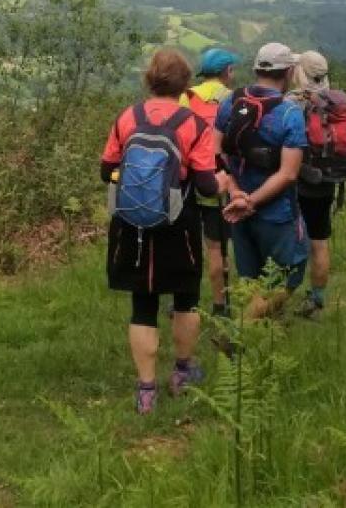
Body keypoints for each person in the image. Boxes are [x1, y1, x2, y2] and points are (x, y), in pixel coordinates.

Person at [102, 48, 224, 414]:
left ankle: (146, 391)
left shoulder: (128, 117)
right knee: (185, 298)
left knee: (142, 304)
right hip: (177, 224)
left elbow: (106, 170)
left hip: (130, 225)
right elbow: (204, 185)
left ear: (149, 79)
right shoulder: (194, 124)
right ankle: (183, 374)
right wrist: (222, 180)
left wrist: (136, 186)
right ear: (186, 84)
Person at [216, 42, 308, 319]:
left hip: (237, 209)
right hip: (277, 213)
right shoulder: (290, 112)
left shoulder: (231, 101)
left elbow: (215, 152)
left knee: (251, 277)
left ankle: (258, 339)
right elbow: (289, 173)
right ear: (289, 72)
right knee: (288, 275)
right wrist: (252, 201)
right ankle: (240, 333)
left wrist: (235, 193)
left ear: (256, 69)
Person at [289, 50, 346, 315]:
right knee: (320, 241)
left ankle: (278, 298)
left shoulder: (295, 104)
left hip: (299, 181)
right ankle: (316, 300)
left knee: (291, 241)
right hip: (328, 182)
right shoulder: (335, 104)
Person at [180, 48, 239, 317]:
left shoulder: (186, 97)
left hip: (190, 181)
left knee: (190, 244)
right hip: (222, 179)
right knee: (218, 247)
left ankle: (182, 299)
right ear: (226, 71)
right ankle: (220, 306)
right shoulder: (234, 99)